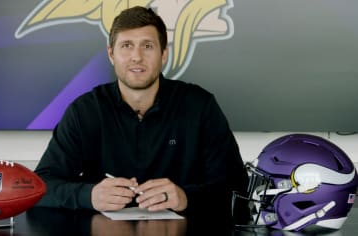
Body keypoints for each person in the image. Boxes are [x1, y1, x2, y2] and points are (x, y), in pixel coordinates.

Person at [34, 6, 248, 222]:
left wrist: (185, 197)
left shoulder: (200, 106)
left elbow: (238, 190)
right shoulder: (85, 111)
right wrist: (88, 195)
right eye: (127, 46)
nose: (137, 57)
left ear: (164, 54)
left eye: (147, 46)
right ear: (111, 54)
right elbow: (41, 186)